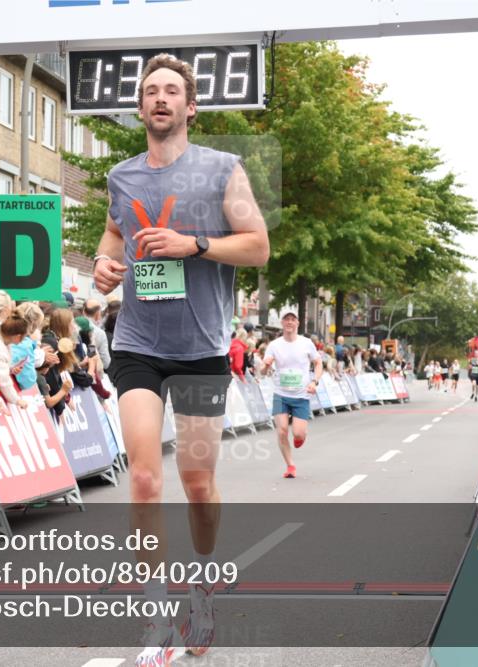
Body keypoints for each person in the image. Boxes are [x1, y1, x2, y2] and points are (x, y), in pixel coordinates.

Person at [91, 53, 269, 664]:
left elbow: (257, 247)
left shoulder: (223, 169)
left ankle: (202, 581)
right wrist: (104, 265)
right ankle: (157, 612)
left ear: (190, 107)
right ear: (140, 108)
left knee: (197, 484)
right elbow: (115, 234)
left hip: (200, 348)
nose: (160, 99)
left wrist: (194, 243)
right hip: (139, 342)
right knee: (143, 476)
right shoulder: (122, 176)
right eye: (150, 92)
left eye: (172, 91)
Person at [262, 310, 322, 479]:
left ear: (298, 323)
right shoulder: (274, 345)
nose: (289, 322)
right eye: (286, 319)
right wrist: (266, 365)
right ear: (282, 323)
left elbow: (318, 363)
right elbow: (262, 371)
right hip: (280, 393)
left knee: (298, 434)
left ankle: (300, 436)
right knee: (281, 431)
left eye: (292, 319)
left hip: (301, 394)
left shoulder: (306, 343)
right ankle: (290, 466)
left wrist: (314, 381)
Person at [83, 298, 112, 372]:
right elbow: (106, 363)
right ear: (98, 313)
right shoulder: (100, 333)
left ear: (83, 311)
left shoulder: (73, 326)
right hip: (93, 373)